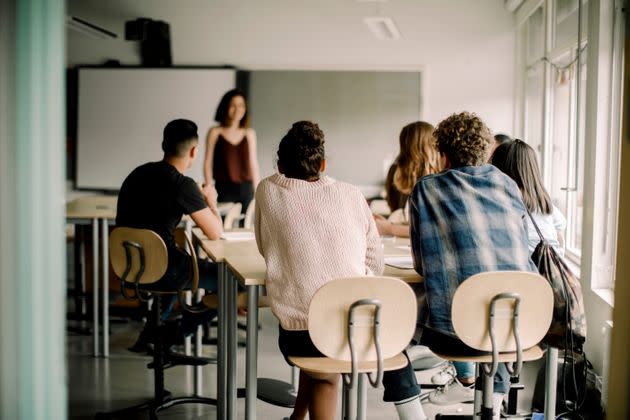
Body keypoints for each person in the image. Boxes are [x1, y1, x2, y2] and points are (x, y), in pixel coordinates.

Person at [255, 121, 426, 420]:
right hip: (353, 328)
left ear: (279, 165)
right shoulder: (351, 193)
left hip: (301, 335)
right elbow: (374, 262)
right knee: (335, 346)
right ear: (322, 163)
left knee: (323, 355)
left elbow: (264, 245)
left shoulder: (268, 190)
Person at [408, 112, 537, 418]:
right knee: (494, 318)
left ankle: (414, 411)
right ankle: (493, 402)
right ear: (485, 150)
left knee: (389, 328)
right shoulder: (507, 185)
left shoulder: (427, 188)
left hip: (456, 332)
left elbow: (421, 264)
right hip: (519, 325)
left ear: (443, 154)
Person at [116, 119, 224, 349]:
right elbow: (215, 233)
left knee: (174, 258)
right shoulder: (183, 184)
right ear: (194, 151)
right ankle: (175, 332)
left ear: (164, 145)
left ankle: (151, 332)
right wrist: (210, 200)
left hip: (129, 267)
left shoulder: (137, 173)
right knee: (230, 281)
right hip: (164, 270)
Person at [491, 139, 567, 256]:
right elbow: (561, 228)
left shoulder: (497, 203)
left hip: (518, 271)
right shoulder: (544, 202)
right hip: (549, 272)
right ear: (533, 170)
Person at [375, 121, 441, 238]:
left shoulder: (441, 180)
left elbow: (431, 230)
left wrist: (389, 228)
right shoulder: (396, 172)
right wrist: (388, 224)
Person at [203, 89, 260, 212]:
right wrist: (209, 188)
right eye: (233, 105)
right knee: (222, 226)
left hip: (246, 189)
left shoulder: (249, 133)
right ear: (225, 107)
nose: (237, 109)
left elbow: (253, 163)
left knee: (244, 226)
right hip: (223, 188)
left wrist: (257, 191)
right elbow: (207, 162)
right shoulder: (215, 132)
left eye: (241, 105)